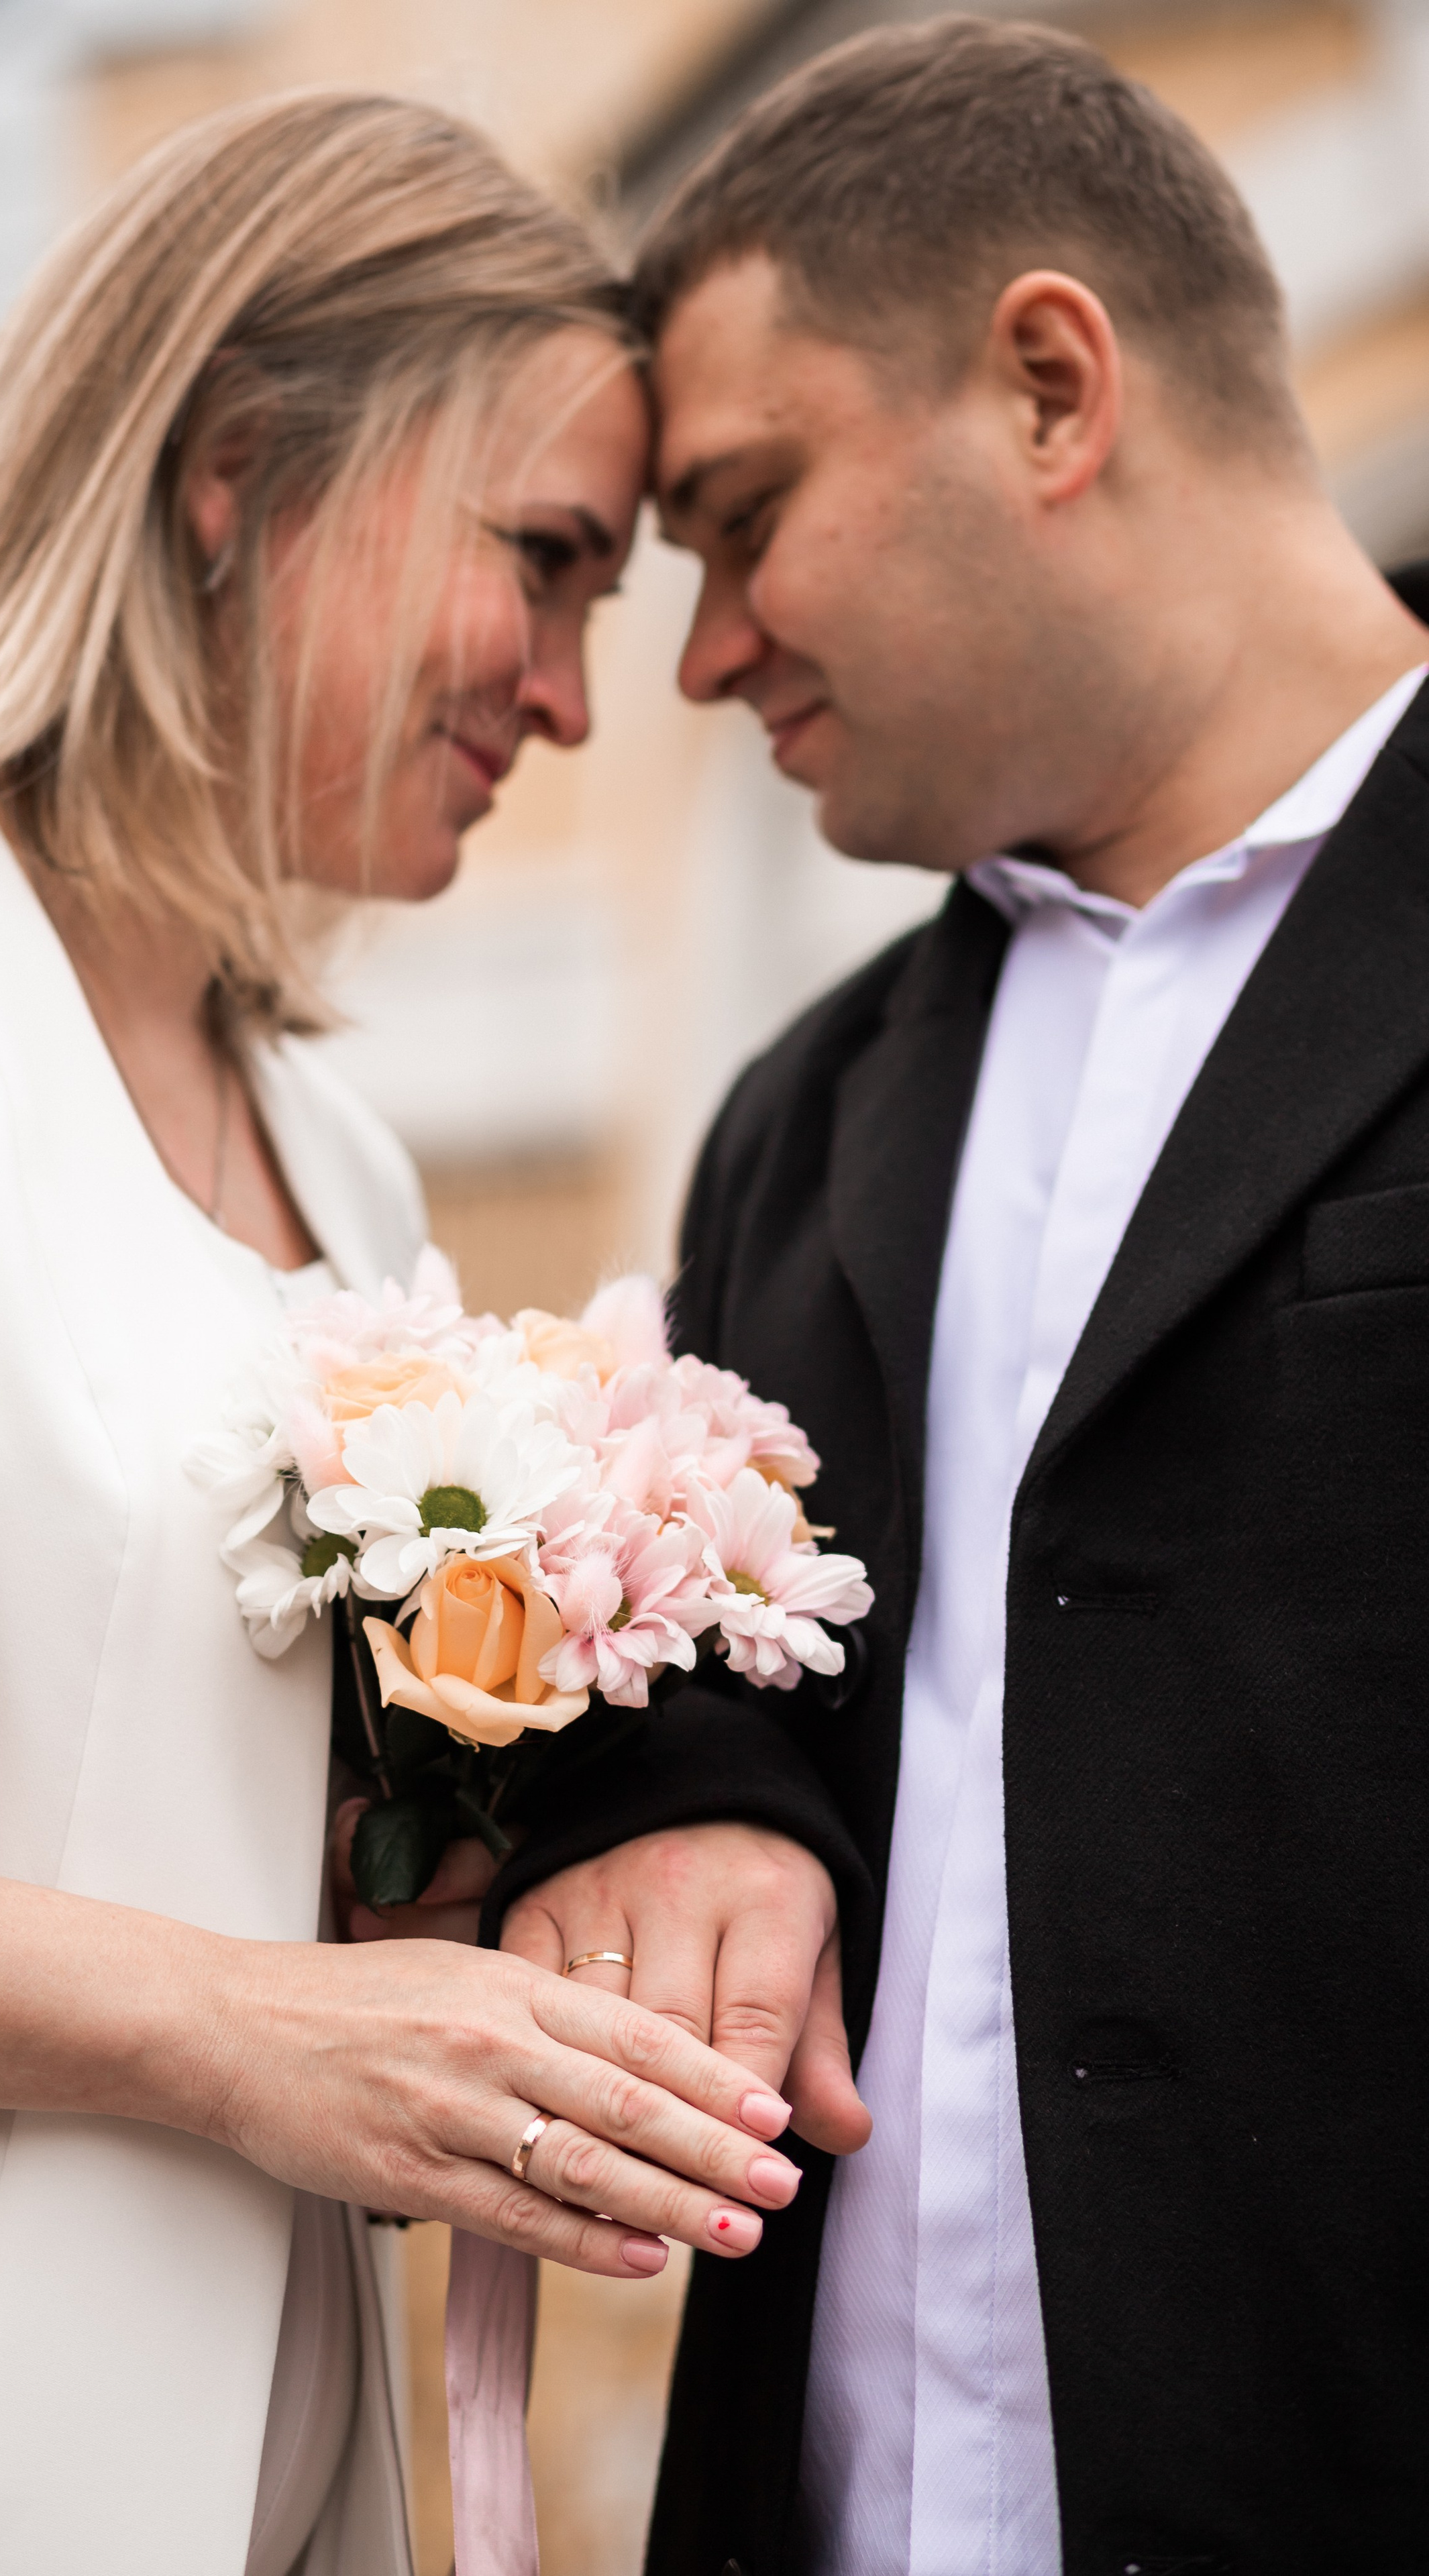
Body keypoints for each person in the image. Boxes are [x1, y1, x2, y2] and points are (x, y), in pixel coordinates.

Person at [0, 93, 808, 2576]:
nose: (567, 700)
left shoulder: (353, 1168)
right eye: (539, 564)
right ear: (235, 476)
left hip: (280, 2459)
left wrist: (517, 1903)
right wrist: (252, 2030)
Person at [487, 17, 1429, 2573]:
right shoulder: (802, 1119)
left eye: (744, 514)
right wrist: (687, 1790)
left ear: (1048, 384)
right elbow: (719, 1715)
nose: (698, 656)